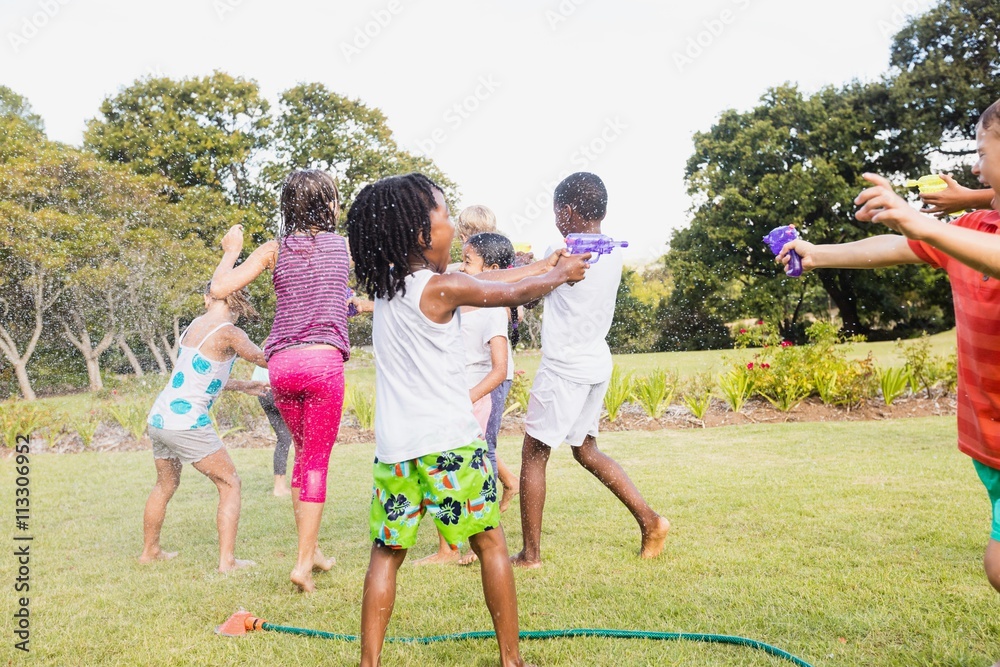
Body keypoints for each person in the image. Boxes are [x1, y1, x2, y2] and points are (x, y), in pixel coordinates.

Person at [346, 172, 589, 667]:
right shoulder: (440, 287)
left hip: (396, 452)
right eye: (444, 215)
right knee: (492, 544)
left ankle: (369, 663)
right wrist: (559, 275)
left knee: (385, 555)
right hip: (451, 445)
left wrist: (542, 263)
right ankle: (511, 660)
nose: (453, 226)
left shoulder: (393, 290)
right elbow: (509, 295)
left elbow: (485, 280)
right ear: (421, 233)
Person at [778, 101, 1000, 627]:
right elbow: (897, 246)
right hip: (989, 438)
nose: (974, 166)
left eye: (983, 152)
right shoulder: (977, 225)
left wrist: (928, 224)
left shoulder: (969, 235)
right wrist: (819, 254)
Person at [512, 172, 671, 569]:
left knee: (534, 454)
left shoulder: (564, 249)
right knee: (585, 450)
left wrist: (524, 269)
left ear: (567, 211)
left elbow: (528, 299)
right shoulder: (612, 249)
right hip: (595, 362)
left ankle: (530, 555)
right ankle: (651, 521)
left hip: (565, 367)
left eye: (555, 211)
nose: (554, 220)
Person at [211, 169, 348, 592]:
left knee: (302, 455)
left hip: (281, 367)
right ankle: (303, 563)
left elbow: (219, 288)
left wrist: (231, 249)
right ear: (329, 204)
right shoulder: (343, 246)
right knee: (316, 464)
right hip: (323, 365)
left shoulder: (273, 249)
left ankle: (315, 552)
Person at [140, 284, 267, 573]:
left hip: (160, 418)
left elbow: (199, 375)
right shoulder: (230, 333)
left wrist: (243, 385)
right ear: (239, 300)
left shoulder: (196, 325)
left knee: (165, 484)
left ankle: (150, 551)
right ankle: (228, 562)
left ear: (207, 298)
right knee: (230, 483)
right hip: (187, 424)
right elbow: (264, 358)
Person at [414, 231, 522, 567]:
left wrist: (466, 397)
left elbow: (499, 368)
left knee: (459, 472)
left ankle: (454, 549)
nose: (461, 266)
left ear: (491, 269)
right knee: (444, 470)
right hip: (447, 398)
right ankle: (456, 547)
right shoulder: (456, 305)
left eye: (469, 262)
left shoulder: (493, 311)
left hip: (470, 401)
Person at [251, 363, 293, 497]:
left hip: (263, 395)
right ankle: (305, 481)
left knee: (284, 439)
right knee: (300, 436)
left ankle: (279, 487)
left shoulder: (265, 348)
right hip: (276, 392)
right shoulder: (282, 346)